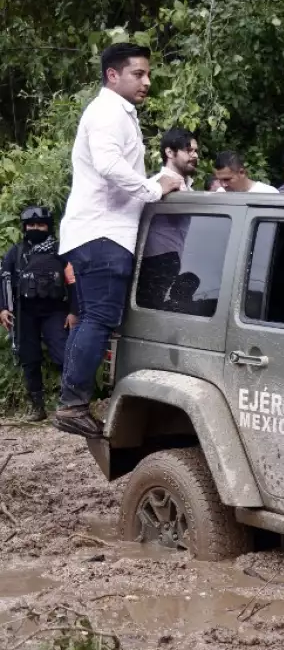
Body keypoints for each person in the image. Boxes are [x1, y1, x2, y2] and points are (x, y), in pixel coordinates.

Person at [53, 42, 183, 437]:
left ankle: (72, 401)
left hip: (100, 231)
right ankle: (72, 404)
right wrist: (153, 188)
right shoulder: (108, 112)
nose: (147, 81)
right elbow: (109, 165)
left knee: (94, 316)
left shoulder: (116, 112)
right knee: (100, 317)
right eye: (138, 74)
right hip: (103, 232)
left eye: (147, 73)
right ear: (113, 75)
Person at [0, 206, 74, 421]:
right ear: (25, 227)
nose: (35, 228)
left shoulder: (61, 252)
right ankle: (37, 408)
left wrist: (73, 311)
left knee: (63, 355)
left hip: (55, 311)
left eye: (40, 224)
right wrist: (4, 308)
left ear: (48, 227)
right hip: (24, 314)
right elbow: (4, 279)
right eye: (31, 225)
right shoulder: (16, 252)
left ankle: (70, 404)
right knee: (29, 360)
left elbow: (72, 283)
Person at [213, 151, 278, 193]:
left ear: (241, 172)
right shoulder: (220, 194)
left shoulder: (268, 193)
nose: (223, 185)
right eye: (219, 180)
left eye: (226, 179)